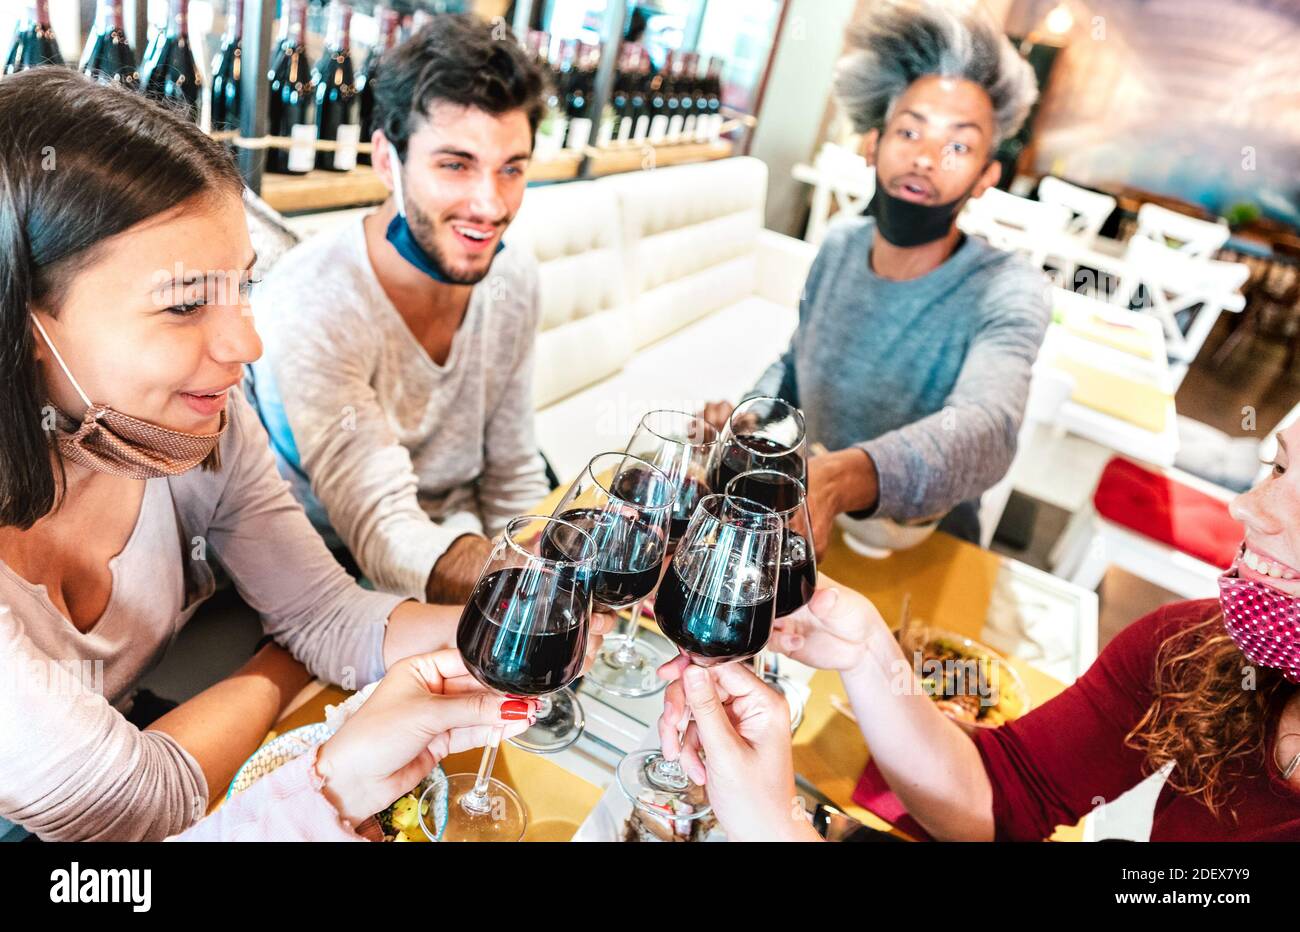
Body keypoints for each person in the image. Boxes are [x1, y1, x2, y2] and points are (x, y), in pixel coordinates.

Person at [0, 69, 611, 842]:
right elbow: (130, 806)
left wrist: (514, 620)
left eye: (241, 288)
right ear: (23, 324)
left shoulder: (198, 427)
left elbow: (325, 612)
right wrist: (283, 665)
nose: (246, 345)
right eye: (186, 304)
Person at [657, 418, 1300, 840]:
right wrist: (867, 651)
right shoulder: (1196, 645)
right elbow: (1006, 796)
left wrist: (774, 827)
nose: (1248, 507)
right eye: (1277, 467)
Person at [703, 0, 1049, 551]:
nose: (927, 158)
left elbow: (988, 426)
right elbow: (796, 365)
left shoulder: (1008, 288)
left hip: (921, 543)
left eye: (957, 145)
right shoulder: (839, 245)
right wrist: (747, 420)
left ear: (987, 175)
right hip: (806, 520)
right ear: (873, 144)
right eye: (910, 133)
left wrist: (843, 477)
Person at [246, 14, 552, 605]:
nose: (489, 205)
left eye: (511, 169)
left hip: (476, 555)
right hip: (343, 574)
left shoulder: (512, 276)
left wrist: (541, 563)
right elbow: (380, 532)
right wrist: (527, 585)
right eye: (455, 164)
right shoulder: (315, 300)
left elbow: (514, 471)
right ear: (388, 160)